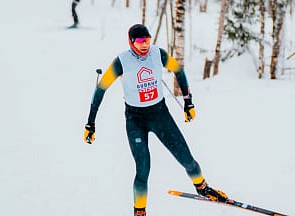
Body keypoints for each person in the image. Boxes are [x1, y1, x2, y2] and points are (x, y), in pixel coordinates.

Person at [83, 24, 227, 216]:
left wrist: (188, 101)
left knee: (186, 158)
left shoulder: (158, 54)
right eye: (140, 41)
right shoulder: (122, 62)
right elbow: (101, 88)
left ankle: (203, 188)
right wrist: (90, 122)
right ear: (131, 42)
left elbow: (178, 70)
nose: (144, 46)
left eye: (147, 40)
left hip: (159, 114)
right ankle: (140, 211)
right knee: (143, 168)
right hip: (135, 119)